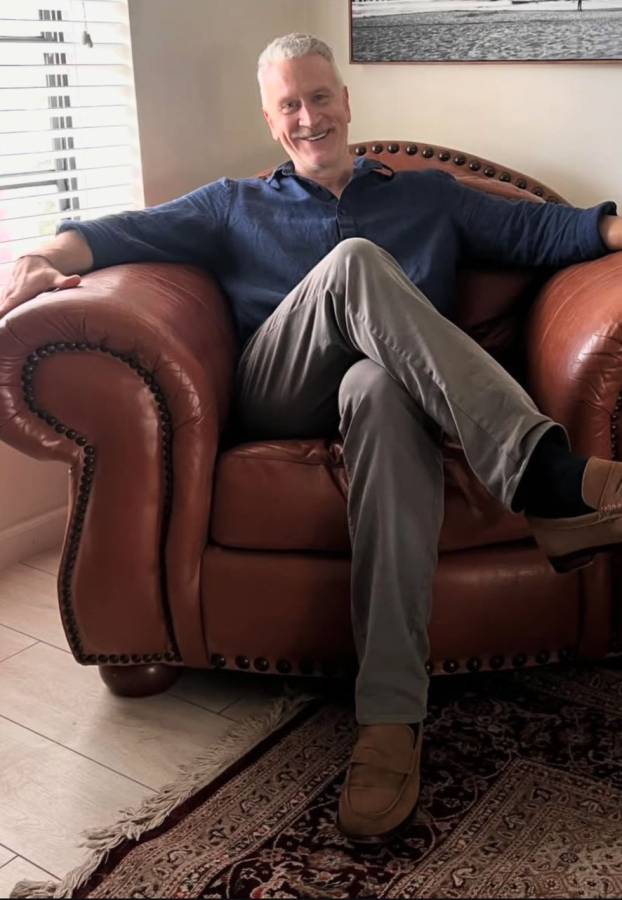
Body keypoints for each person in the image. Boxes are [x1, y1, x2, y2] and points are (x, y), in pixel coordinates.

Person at [2, 33, 622, 843]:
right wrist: (41, 254)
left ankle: (389, 719)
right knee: (356, 262)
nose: (308, 117)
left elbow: (552, 234)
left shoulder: (429, 196)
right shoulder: (232, 205)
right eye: (289, 104)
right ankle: (544, 476)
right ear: (271, 120)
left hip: (394, 399)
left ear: (346, 101)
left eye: (319, 97)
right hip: (282, 392)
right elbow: (114, 234)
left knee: (380, 387)